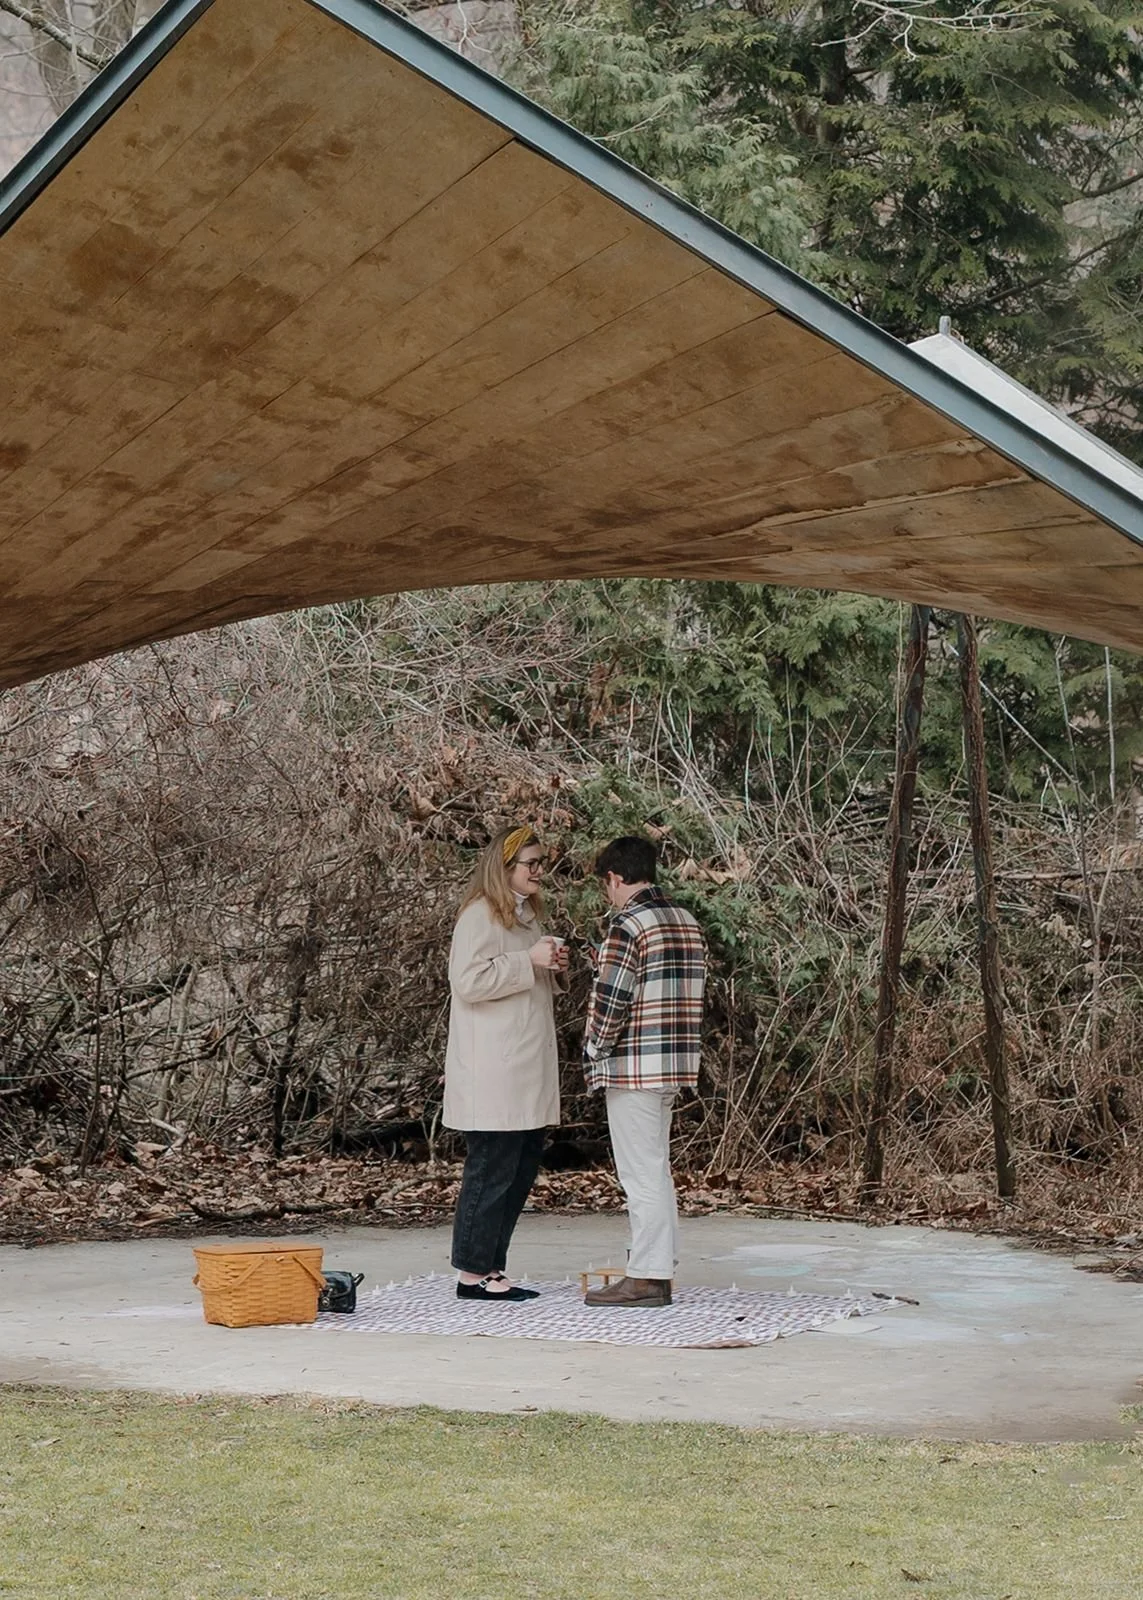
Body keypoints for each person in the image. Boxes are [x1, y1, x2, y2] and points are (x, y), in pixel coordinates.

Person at [444, 825, 568, 1302]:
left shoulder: (526, 918)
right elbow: (468, 982)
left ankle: (493, 1265)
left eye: (541, 863)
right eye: (530, 864)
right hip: (493, 1069)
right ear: (504, 867)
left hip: (527, 1065)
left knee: (520, 1170)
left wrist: (553, 966)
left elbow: (528, 977)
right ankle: (473, 1273)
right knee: (491, 1169)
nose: (539, 871)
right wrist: (527, 962)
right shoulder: (479, 916)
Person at [582, 836, 706, 1308]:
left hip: (634, 1065)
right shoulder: (685, 921)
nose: (607, 895)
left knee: (640, 1173)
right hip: (674, 1061)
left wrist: (594, 1049)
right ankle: (658, 1266)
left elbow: (613, 1002)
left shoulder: (628, 925)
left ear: (615, 878)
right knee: (656, 1168)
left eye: (606, 886)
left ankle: (648, 1276)